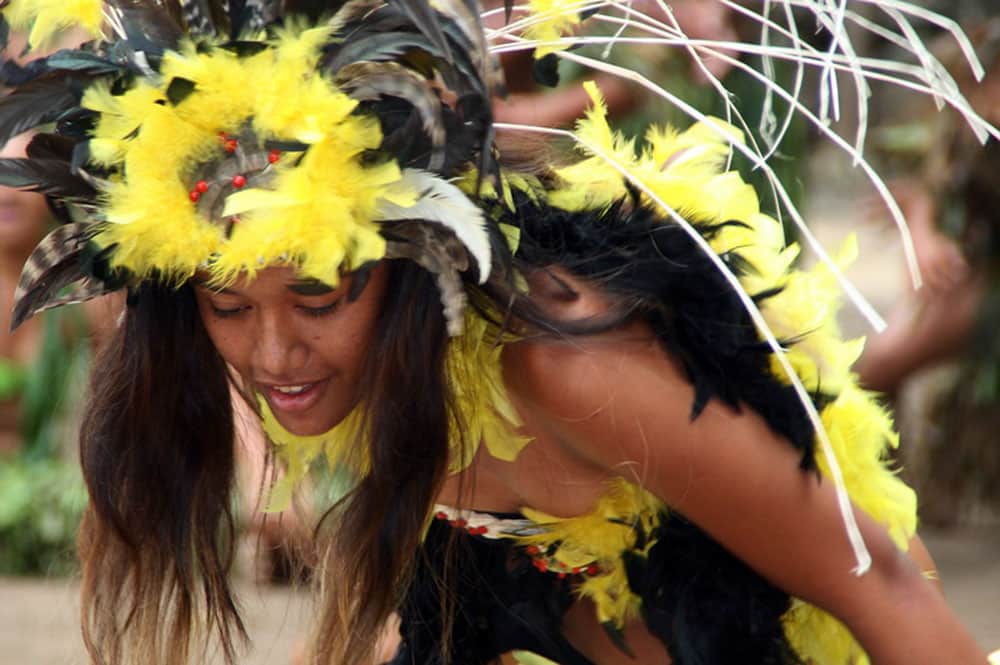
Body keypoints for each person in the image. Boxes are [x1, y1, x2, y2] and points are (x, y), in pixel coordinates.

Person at [0, 1, 992, 664]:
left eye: (316, 296)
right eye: (228, 306)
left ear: (418, 262)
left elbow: (883, 587)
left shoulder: (575, 370)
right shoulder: (310, 357)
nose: (271, 353)